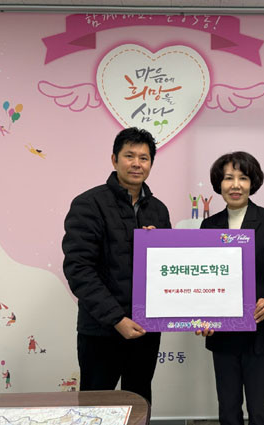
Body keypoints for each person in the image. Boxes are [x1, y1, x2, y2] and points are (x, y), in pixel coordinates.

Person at [62, 127, 171, 404]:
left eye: (144, 158)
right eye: (129, 156)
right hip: (102, 330)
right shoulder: (89, 204)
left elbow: (167, 270)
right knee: (96, 407)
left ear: (151, 164)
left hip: (145, 328)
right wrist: (116, 319)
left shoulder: (158, 210)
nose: (137, 164)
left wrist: (158, 250)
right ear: (114, 159)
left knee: (139, 401)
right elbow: (79, 269)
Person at [197, 151, 264, 425]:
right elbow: (203, 280)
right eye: (228, 178)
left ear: (252, 182)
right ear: (219, 183)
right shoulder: (208, 226)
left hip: (262, 332)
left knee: (259, 411)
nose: (235, 185)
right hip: (223, 335)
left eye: (242, 178)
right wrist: (201, 315)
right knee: (228, 410)